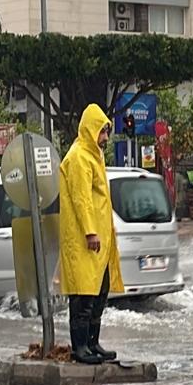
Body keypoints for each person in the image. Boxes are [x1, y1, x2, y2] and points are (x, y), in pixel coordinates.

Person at [59, 104, 125, 365]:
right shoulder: (78, 158)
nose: (105, 138)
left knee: (99, 293)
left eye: (107, 132)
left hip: (100, 239)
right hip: (85, 239)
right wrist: (89, 231)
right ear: (90, 130)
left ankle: (92, 342)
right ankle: (80, 347)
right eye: (102, 132)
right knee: (83, 294)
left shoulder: (93, 155)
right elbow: (81, 199)